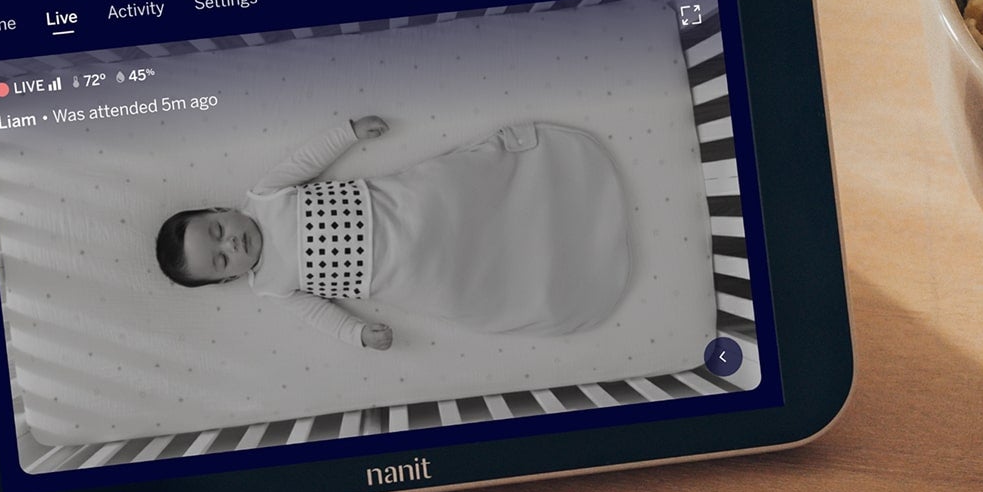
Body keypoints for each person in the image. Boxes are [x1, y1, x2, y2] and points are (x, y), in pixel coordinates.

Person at [154, 114, 632, 349]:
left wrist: (348, 133)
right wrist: (358, 333)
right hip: (401, 273)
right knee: (466, 295)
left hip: (404, 207)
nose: (231, 243)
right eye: (221, 259)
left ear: (220, 208)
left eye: (217, 229)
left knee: (461, 187)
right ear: (229, 278)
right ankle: (559, 286)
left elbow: (305, 160)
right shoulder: (274, 285)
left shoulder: (266, 196)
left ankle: (543, 182)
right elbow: (319, 315)